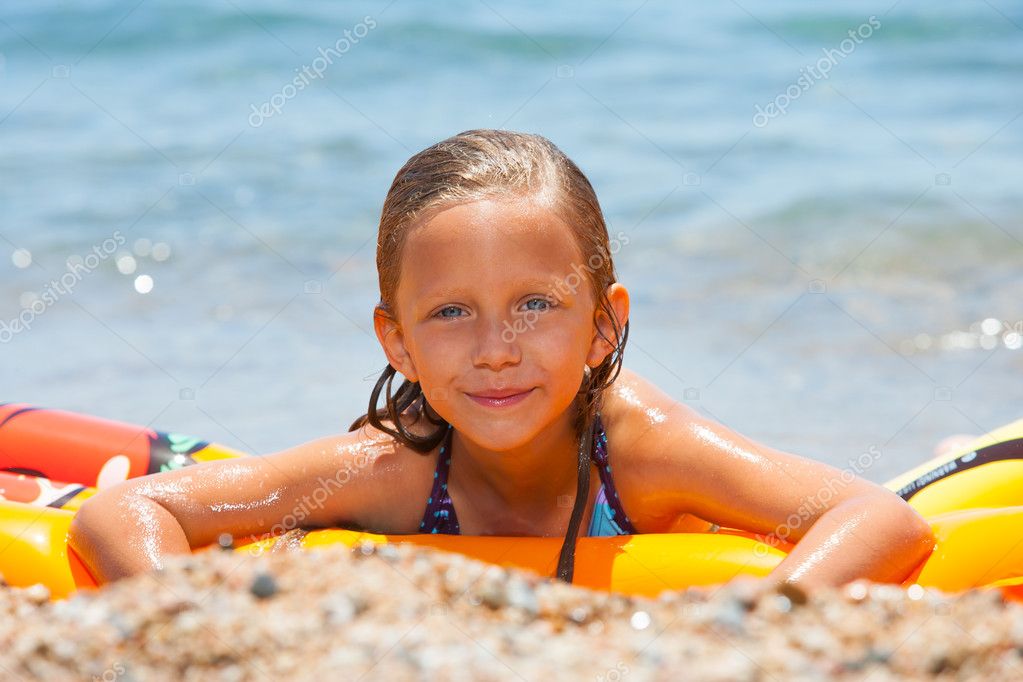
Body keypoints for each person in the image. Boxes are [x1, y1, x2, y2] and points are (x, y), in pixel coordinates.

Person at [68, 129, 935, 591]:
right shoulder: (398, 466)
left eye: (535, 304)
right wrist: (178, 620)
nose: (494, 351)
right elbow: (125, 515)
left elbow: (880, 517)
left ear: (603, 325)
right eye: (449, 313)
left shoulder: (641, 449)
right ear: (395, 340)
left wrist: (769, 621)